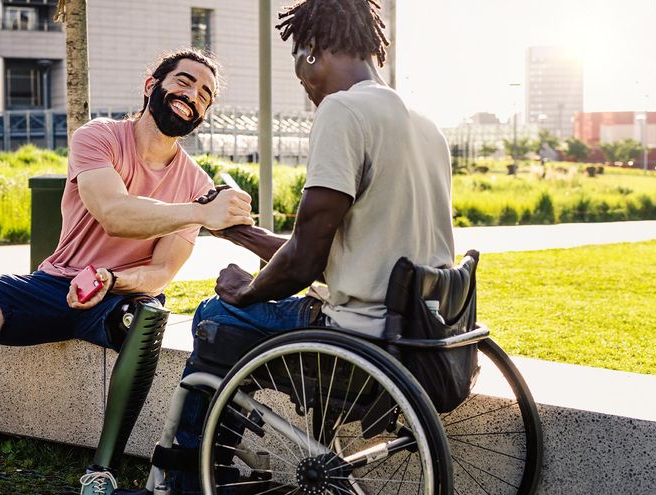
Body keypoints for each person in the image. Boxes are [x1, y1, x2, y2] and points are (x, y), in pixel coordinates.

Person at [0, 49, 253, 495]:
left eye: (205, 94)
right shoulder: (99, 136)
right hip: (56, 285)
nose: (193, 96)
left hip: (120, 299)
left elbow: (159, 272)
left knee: (149, 314)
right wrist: (200, 212)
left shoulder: (195, 183)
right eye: (184, 81)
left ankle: (102, 473)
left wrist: (111, 280)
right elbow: (113, 212)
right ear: (151, 85)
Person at [167, 0, 455, 491]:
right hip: (417, 333)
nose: (304, 82)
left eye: (299, 66)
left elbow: (304, 262)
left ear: (312, 49)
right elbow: (343, 253)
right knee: (244, 312)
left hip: (358, 338)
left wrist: (246, 291)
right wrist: (241, 234)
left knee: (216, 317)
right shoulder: (425, 125)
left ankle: (190, 475)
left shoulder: (343, 110)